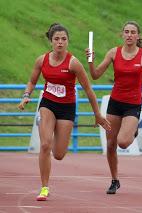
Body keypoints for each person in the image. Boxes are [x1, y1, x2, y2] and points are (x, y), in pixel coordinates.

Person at [18, 23, 111, 201]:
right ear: (51, 41)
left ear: (68, 41)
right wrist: (26, 95)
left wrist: (98, 115)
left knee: (59, 154)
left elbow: (89, 90)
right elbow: (31, 81)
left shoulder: (73, 63)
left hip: (67, 107)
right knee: (45, 145)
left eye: (63, 39)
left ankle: (55, 138)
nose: (60, 42)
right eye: (56, 39)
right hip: (48, 103)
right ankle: (44, 187)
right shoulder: (41, 60)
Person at [85, 21, 142, 194]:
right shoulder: (114, 53)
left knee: (123, 142)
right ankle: (114, 180)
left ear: (137, 36)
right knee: (111, 144)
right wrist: (90, 60)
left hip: (132, 105)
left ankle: (133, 130)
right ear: (122, 34)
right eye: (126, 32)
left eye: (132, 32)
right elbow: (95, 75)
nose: (129, 35)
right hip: (115, 103)